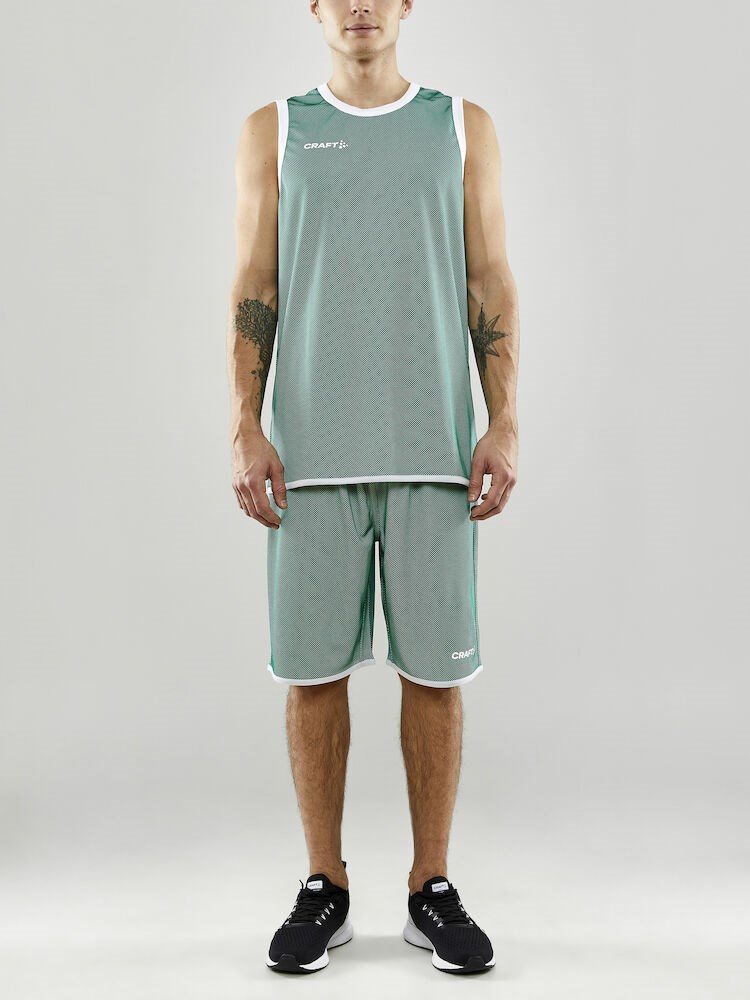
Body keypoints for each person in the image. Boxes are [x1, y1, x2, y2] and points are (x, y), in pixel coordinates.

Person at [226, 0, 519, 977]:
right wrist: (246, 422)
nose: (360, 5)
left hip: (434, 450)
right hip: (311, 456)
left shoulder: (462, 124)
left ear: (406, 5)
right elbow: (254, 283)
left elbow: (489, 278)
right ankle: (326, 884)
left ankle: (431, 886)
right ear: (313, 7)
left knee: (435, 675)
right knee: (313, 674)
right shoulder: (274, 128)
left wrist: (503, 418)